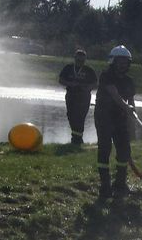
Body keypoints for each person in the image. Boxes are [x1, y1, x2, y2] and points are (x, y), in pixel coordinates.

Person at [93, 45, 136, 200]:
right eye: (120, 61)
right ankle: (105, 186)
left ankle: (120, 184)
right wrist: (126, 107)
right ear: (113, 61)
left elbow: (131, 100)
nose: (123, 64)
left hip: (120, 119)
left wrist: (132, 118)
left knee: (124, 150)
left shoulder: (129, 81)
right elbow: (115, 95)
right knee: (105, 149)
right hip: (104, 117)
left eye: (125, 62)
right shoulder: (106, 76)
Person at [58, 49, 97, 145]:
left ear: (85, 60)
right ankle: (76, 137)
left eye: (82, 61)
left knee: (80, 116)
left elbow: (95, 83)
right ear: (75, 59)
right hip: (71, 95)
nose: (80, 62)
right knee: (71, 115)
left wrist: (87, 88)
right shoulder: (68, 68)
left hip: (84, 96)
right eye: (78, 60)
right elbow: (61, 80)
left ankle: (77, 138)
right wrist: (70, 84)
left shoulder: (89, 70)